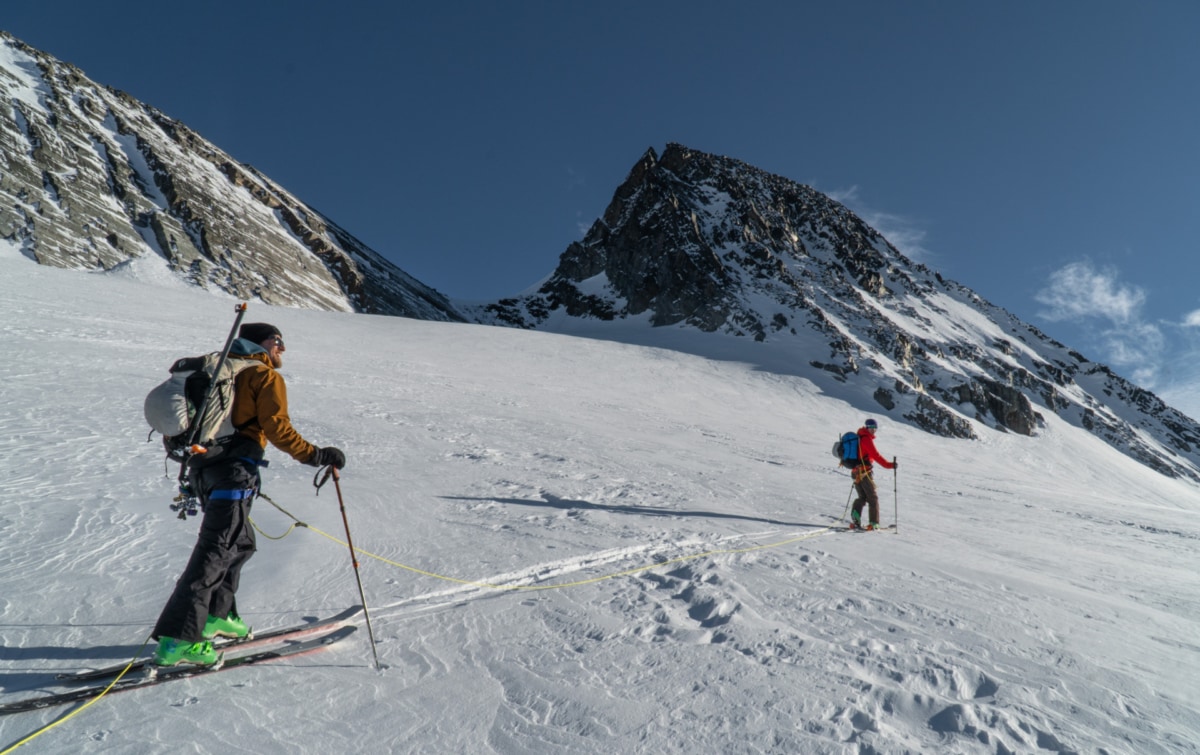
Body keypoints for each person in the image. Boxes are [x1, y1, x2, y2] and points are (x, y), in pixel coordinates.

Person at [151, 322, 346, 666]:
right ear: (261, 343)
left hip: (203, 470)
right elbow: (277, 427)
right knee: (217, 549)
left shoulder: (220, 371)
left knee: (240, 542)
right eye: (278, 341)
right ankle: (181, 638)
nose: (282, 348)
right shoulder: (262, 375)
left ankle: (217, 615)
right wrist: (317, 455)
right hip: (233, 471)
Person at [848, 418, 896, 531]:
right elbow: (876, 455)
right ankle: (874, 523)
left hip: (855, 472)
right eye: (871, 428)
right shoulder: (866, 440)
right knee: (873, 498)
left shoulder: (860, 437)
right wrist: (890, 465)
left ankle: (856, 516)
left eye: (875, 428)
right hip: (864, 473)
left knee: (862, 497)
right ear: (866, 427)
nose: (873, 430)